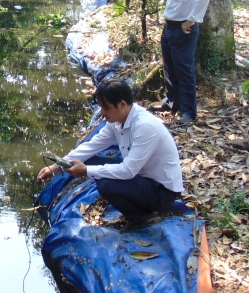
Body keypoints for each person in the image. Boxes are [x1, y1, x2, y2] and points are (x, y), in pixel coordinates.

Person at [37, 80, 183, 228]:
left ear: (122, 105)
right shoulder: (117, 121)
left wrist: (86, 170)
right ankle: (136, 207)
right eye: (100, 107)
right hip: (142, 174)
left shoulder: (144, 126)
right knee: (90, 160)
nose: (102, 112)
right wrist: (57, 166)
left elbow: (128, 171)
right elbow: (92, 146)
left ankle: (139, 217)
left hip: (161, 191)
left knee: (106, 184)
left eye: (106, 108)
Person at [152, 0, 210, 123]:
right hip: (170, 26)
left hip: (184, 28)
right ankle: (172, 102)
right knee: (169, 67)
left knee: (184, 69)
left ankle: (189, 112)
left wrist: (190, 20)